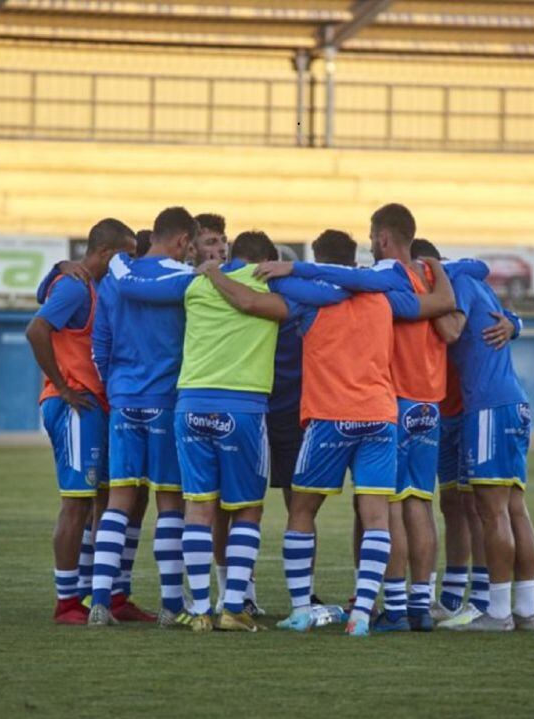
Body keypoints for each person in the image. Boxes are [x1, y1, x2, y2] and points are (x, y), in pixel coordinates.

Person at [113, 230, 347, 632]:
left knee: (200, 508)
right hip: (242, 408)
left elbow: (142, 290)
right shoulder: (273, 295)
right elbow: (265, 301)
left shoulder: (194, 285)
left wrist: (211, 272)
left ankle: (201, 608)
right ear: (266, 263)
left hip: (189, 406)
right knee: (247, 509)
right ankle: (234, 605)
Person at [256, 229, 456, 637]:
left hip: (330, 416)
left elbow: (273, 283)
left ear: (319, 258)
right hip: (380, 415)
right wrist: (434, 268)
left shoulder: (307, 299)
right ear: (355, 259)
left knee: (301, 511)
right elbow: (438, 304)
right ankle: (363, 614)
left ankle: (299, 610)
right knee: (377, 515)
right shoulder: (384, 297)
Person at [83, 207, 200, 627]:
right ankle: (172, 604)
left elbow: (100, 345)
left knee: (117, 503)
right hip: (166, 401)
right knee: (170, 503)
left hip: (124, 400)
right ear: (184, 240)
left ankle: (99, 600)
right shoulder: (188, 283)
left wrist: (115, 389)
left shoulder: (116, 280)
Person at [25, 218, 132, 625]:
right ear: (105, 253)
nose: (130, 263)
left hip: (95, 405)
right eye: (126, 254)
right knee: (76, 504)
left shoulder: (92, 283)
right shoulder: (74, 285)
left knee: (103, 500)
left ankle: (100, 594)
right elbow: (36, 329)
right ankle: (66, 601)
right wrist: (62, 386)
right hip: (75, 405)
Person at [410, 240, 522, 625]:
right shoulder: (428, 284)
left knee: (481, 507)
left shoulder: (452, 282)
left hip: (474, 409)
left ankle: (485, 600)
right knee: (452, 505)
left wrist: (515, 322)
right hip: (445, 411)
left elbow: (470, 321)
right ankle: (454, 598)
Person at [436, 260, 534, 632]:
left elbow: (452, 330)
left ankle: (498, 613)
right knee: (514, 507)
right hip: (515, 403)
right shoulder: (479, 283)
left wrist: (424, 306)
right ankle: (527, 609)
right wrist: (515, 325)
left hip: (487, 408)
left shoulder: (458, 281)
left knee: (491, 511)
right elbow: (508, 317)